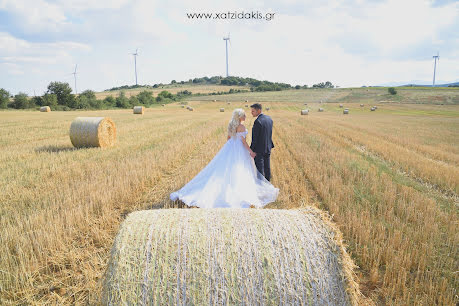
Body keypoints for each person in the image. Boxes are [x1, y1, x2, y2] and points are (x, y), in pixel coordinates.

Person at [170, 108, 279, 208]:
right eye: (244, 115)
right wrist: (251, 151)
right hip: (239, 148)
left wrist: (230, 148)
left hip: (231, 146)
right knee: (239, 168)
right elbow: (243, 141)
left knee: (226, 167)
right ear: (240, 117)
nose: (246, 117)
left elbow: (228, 138)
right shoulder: (241, 126)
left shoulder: (231, 124)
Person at [249, 103, 274, 181]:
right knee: (267, 168)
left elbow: (255, 139)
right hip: (268, 147)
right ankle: (268, 184)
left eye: (253, 111)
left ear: (259, 111)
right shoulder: (269, 119)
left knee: (260, 170)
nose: (251, 113)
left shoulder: (258, 121)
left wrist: (251, 150)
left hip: (259, 150)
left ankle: (262, 187)